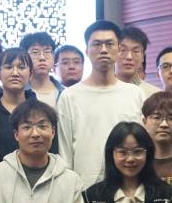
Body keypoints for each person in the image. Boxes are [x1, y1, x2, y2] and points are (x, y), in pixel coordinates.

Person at [57, 20, 148, 186]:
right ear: (87, 50)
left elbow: (142, 146)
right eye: (97, 44)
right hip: (83, 188)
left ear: (118, 49)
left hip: (127, 187)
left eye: (110, 44)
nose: (104, 50)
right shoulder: (69, 96)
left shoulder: (135, 94)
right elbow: (65, 152)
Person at [0, 101, 86, 203]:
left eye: (42, 126)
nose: (35, 134)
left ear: (53, 132)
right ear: (16, 134)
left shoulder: (71, 181)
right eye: (27, 127)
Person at [0, 47, 46, 175]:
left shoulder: (42, 113)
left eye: (21, 67)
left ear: (31, 74)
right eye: (8, 67)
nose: (15, 73)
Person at [21, 31, 64, 107]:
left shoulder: (65, 93)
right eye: (35, 52)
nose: (42, 58)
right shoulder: (18, 93)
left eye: (47, 52)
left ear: (53, 57)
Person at [117, 26, 161, 97]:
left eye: (136, 51)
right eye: (123, 50)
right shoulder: (103, 91)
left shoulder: (155, 95)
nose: (129, 57)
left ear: (143, 57)